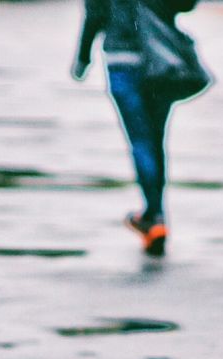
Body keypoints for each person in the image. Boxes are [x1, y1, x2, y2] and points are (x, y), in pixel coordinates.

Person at [72, 0, 199, 257]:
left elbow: (94, 14)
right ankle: (156, 214)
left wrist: (83, 58)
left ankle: (154, 216)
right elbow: (185, 4)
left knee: (141, 141)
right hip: (161, 58)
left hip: (122, 62)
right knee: (155, 139)